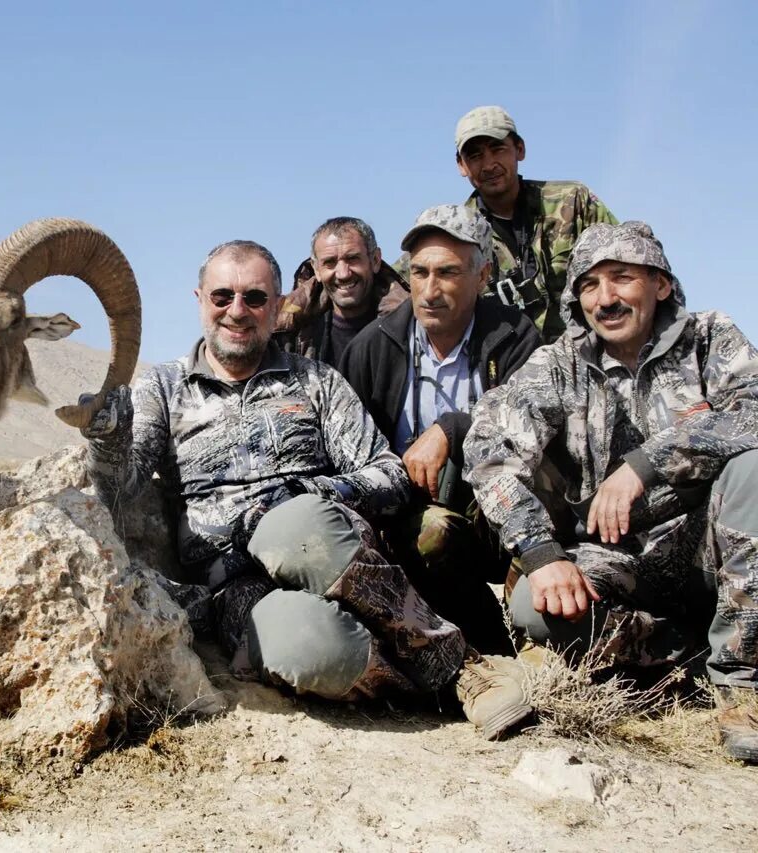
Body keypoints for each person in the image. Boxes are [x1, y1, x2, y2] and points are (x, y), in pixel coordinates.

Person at [84, 239, 532, 739]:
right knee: (310, 649)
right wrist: (105, 439)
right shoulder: (162, 388)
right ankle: (425, 688)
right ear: (199, 300)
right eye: (222, 297)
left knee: (292, 523)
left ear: (277, 306)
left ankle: (463, 670)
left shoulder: (317, 382)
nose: (237, 311)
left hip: (325, 545)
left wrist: (304, 494)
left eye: (255, 298)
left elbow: (387, 474)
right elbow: (121, 488)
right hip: (234, 583)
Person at [465, 221, 758, 762]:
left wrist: (644, 465)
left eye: (621, 278)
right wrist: (540, 552)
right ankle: (684, 652)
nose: (606, 298)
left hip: (713, 548)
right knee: (535, 608)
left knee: (756, 471)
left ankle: (743, 684)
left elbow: (754, 409)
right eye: (589, 286)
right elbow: (488, 449)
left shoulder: (711, 338)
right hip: (615, 555)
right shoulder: (560, 363)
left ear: (661, 284)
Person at [342, 205, 540, 655]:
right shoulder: (371, 348)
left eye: (447, 273)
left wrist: (450, 428)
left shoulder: (516, 335)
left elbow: (532, 415)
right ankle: (489, 646)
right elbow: (350, 449)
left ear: (483, 275)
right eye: (419, 272)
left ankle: (528, 612)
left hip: (507, 505)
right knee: (429, 531)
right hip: (418, 518)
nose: (429, 290)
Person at [455, 105, 618, 342]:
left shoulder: (574, 201)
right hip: (508, 369)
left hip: (588, 355)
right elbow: (401, 284)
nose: (489, 165)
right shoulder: (456, 234)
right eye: (475, 156)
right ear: (461, 165)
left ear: (519, 149)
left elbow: (629, 266)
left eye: (498, 149)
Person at [276, 217, 406, 367]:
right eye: (330, 262)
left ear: (375, 260)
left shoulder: (410, 328)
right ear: (316, 269)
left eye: (352, 259)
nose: (343, 274)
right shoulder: (286, 332)